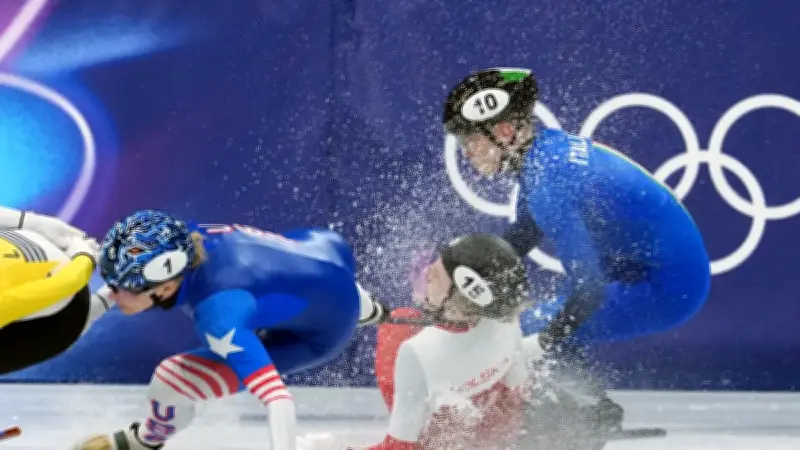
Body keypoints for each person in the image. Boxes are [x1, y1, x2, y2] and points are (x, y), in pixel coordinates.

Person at [442, 67, 711, 427]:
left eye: (470, 141)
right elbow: (522, 237)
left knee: (526, 329)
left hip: (670, 286)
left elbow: (589, 291)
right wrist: (460, 277)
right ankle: (576, 405)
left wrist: (539, 343)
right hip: (646, 263)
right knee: (530, 323)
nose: (467, 154)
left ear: (504, 132)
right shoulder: (544, 154)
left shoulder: (548, 184)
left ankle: (590, 413)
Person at [73, 210, 387, 450]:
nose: (111, 292)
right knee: (310, 288)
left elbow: (278, 400)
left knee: (168, 380)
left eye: (122, 287)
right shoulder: (185, 237)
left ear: (166, 287)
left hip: (320, 335)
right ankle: (367, 306)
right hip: (326, 250)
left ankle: (144, 440)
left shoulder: (217, 315)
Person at [356, 233, 540, 450]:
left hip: (434, 434)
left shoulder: (416, 351)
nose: (427, 273)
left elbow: (399, 446)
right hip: (491, 420)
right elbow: (515, 397)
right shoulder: (505, 319)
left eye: (435, 276)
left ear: (457, 301)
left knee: (397, 324)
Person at [0, 206, 109, 375]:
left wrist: (32, 222)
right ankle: (107, 297)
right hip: (65, 309)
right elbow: (69, 282)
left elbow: (70, 282)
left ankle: (108, 297)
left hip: (66, 302)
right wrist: (85, 255)